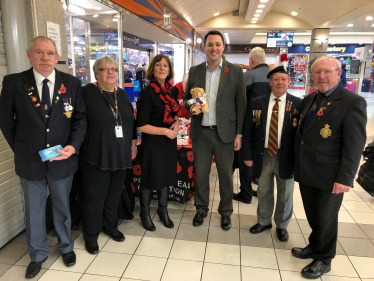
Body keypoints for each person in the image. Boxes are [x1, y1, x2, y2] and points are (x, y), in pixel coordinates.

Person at [0, 36, 87, 278]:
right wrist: (22, 149)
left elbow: (80, 119)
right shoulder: (13, 83)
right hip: (30, 161)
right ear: (30, 55)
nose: (45, 57)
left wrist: (73, 146)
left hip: (63, 158)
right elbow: (7, 122)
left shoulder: (71, 83)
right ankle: (37, 254)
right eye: (39, 52)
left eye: (50, 53)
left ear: (56, 56)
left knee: (62, 206)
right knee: (34, 210)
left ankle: (65, 246)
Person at [292, 56, 367, 279]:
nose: (321, 76)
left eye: (327, 72)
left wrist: (345, 177)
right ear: (312, 76)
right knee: (313, 215)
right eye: (317, 72)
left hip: (330, 174)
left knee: (326, 218)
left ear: (338, 73)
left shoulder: (351, 102)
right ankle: (314, 246)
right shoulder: (310, 99)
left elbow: (354, 144)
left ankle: (324, 258)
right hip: (307, 171)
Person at [184, 30, 246, 231]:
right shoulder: (195, 71)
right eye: (210, 44)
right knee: (201, 174)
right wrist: (192, 106)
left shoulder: (235, 72)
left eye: (217, 44)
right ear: (204, 47)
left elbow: (240, 105)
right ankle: (201, 209)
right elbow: (187, 99)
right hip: (200, 132)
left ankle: (226, 212)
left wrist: (239, 134)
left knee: (226, 175)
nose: (214, 48)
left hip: (225, 133)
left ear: (223, 47)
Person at [80, 56, 137, 255]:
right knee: (95, 198)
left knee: (113, 195)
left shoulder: (120, 94)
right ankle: (91, 235)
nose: (110, 72)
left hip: (120, 154)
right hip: (96, 155)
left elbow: (130, 121)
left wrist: (132, 143)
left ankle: (110, 226)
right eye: (105, 69)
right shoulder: (86, 92)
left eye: (113, 69)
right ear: (96, 73)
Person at [242, 66, 302, 242]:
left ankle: (282, 225)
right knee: (264, 190)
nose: (280, 82)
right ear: (270, 82)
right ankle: (264, 221)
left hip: (287, 156)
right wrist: (247, 156)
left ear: (289, 82)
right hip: (264, 154)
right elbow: (248, 131)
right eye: (276, 79)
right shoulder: (257, 103)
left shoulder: (298, 104)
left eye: (283, 79)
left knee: (285, 193)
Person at [136, 54, 179, 231]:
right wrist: (165, 131)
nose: (162, 68)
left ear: (169, 71)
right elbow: (140, 125)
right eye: (159, 65)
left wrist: (176, 123)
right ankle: (144, 214)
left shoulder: (170, 90)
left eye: (166, 66)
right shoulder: (148, 93)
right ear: (153, 69)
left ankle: (163, 211)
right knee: (149, 178)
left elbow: (174, 112)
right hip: (153, 142)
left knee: (165, 177)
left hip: (168, 141)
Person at [234, 47, 272, 203]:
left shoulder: (248, 76)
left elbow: (239, 103)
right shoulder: (274, 77)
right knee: (263, 158)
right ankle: (261, 190)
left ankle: (246, 192)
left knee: (246, 158)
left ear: (251, 61)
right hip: (270, 125)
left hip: (250, 123)